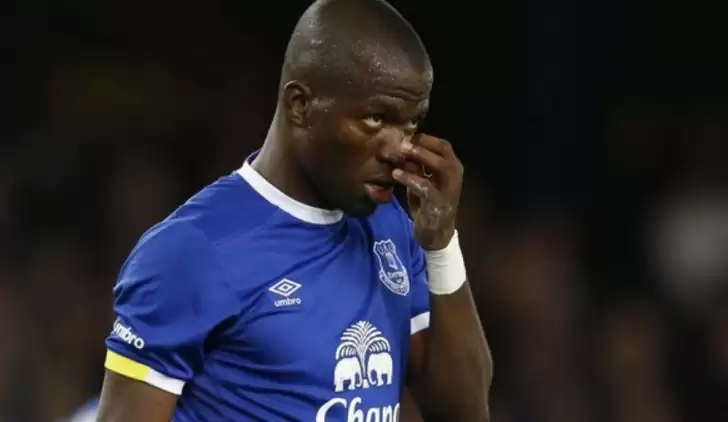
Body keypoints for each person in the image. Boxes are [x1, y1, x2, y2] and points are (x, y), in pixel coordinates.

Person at [96, 0, 492, 420]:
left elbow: (465, 414)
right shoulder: (193, 249)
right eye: (377, 119)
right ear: (300, 104)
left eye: (411, 124)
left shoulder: (391, 227)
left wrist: (441, 246)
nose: (400, 149)